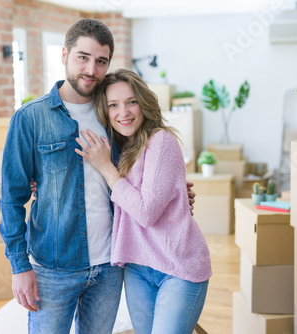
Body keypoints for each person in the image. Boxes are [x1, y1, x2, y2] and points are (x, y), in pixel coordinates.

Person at [0, 19, 196, 333]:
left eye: (100, 61)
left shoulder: (114, 114)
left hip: (111, 265)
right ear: (64, 54)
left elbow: (141, 174)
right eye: (83, 57)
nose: (91, 69)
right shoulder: (30, 118)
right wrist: (19, 266)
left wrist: (172, 193)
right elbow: (11, 198)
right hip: (54, 268)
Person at [75, 68, 212, 334]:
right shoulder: (120, 147)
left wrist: (107, 169)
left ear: (144, 103)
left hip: (177, 267)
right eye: (113, 105)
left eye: (131, 102)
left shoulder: (160, 141)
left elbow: (146, 213)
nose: (122, 112)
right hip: (138, 267)